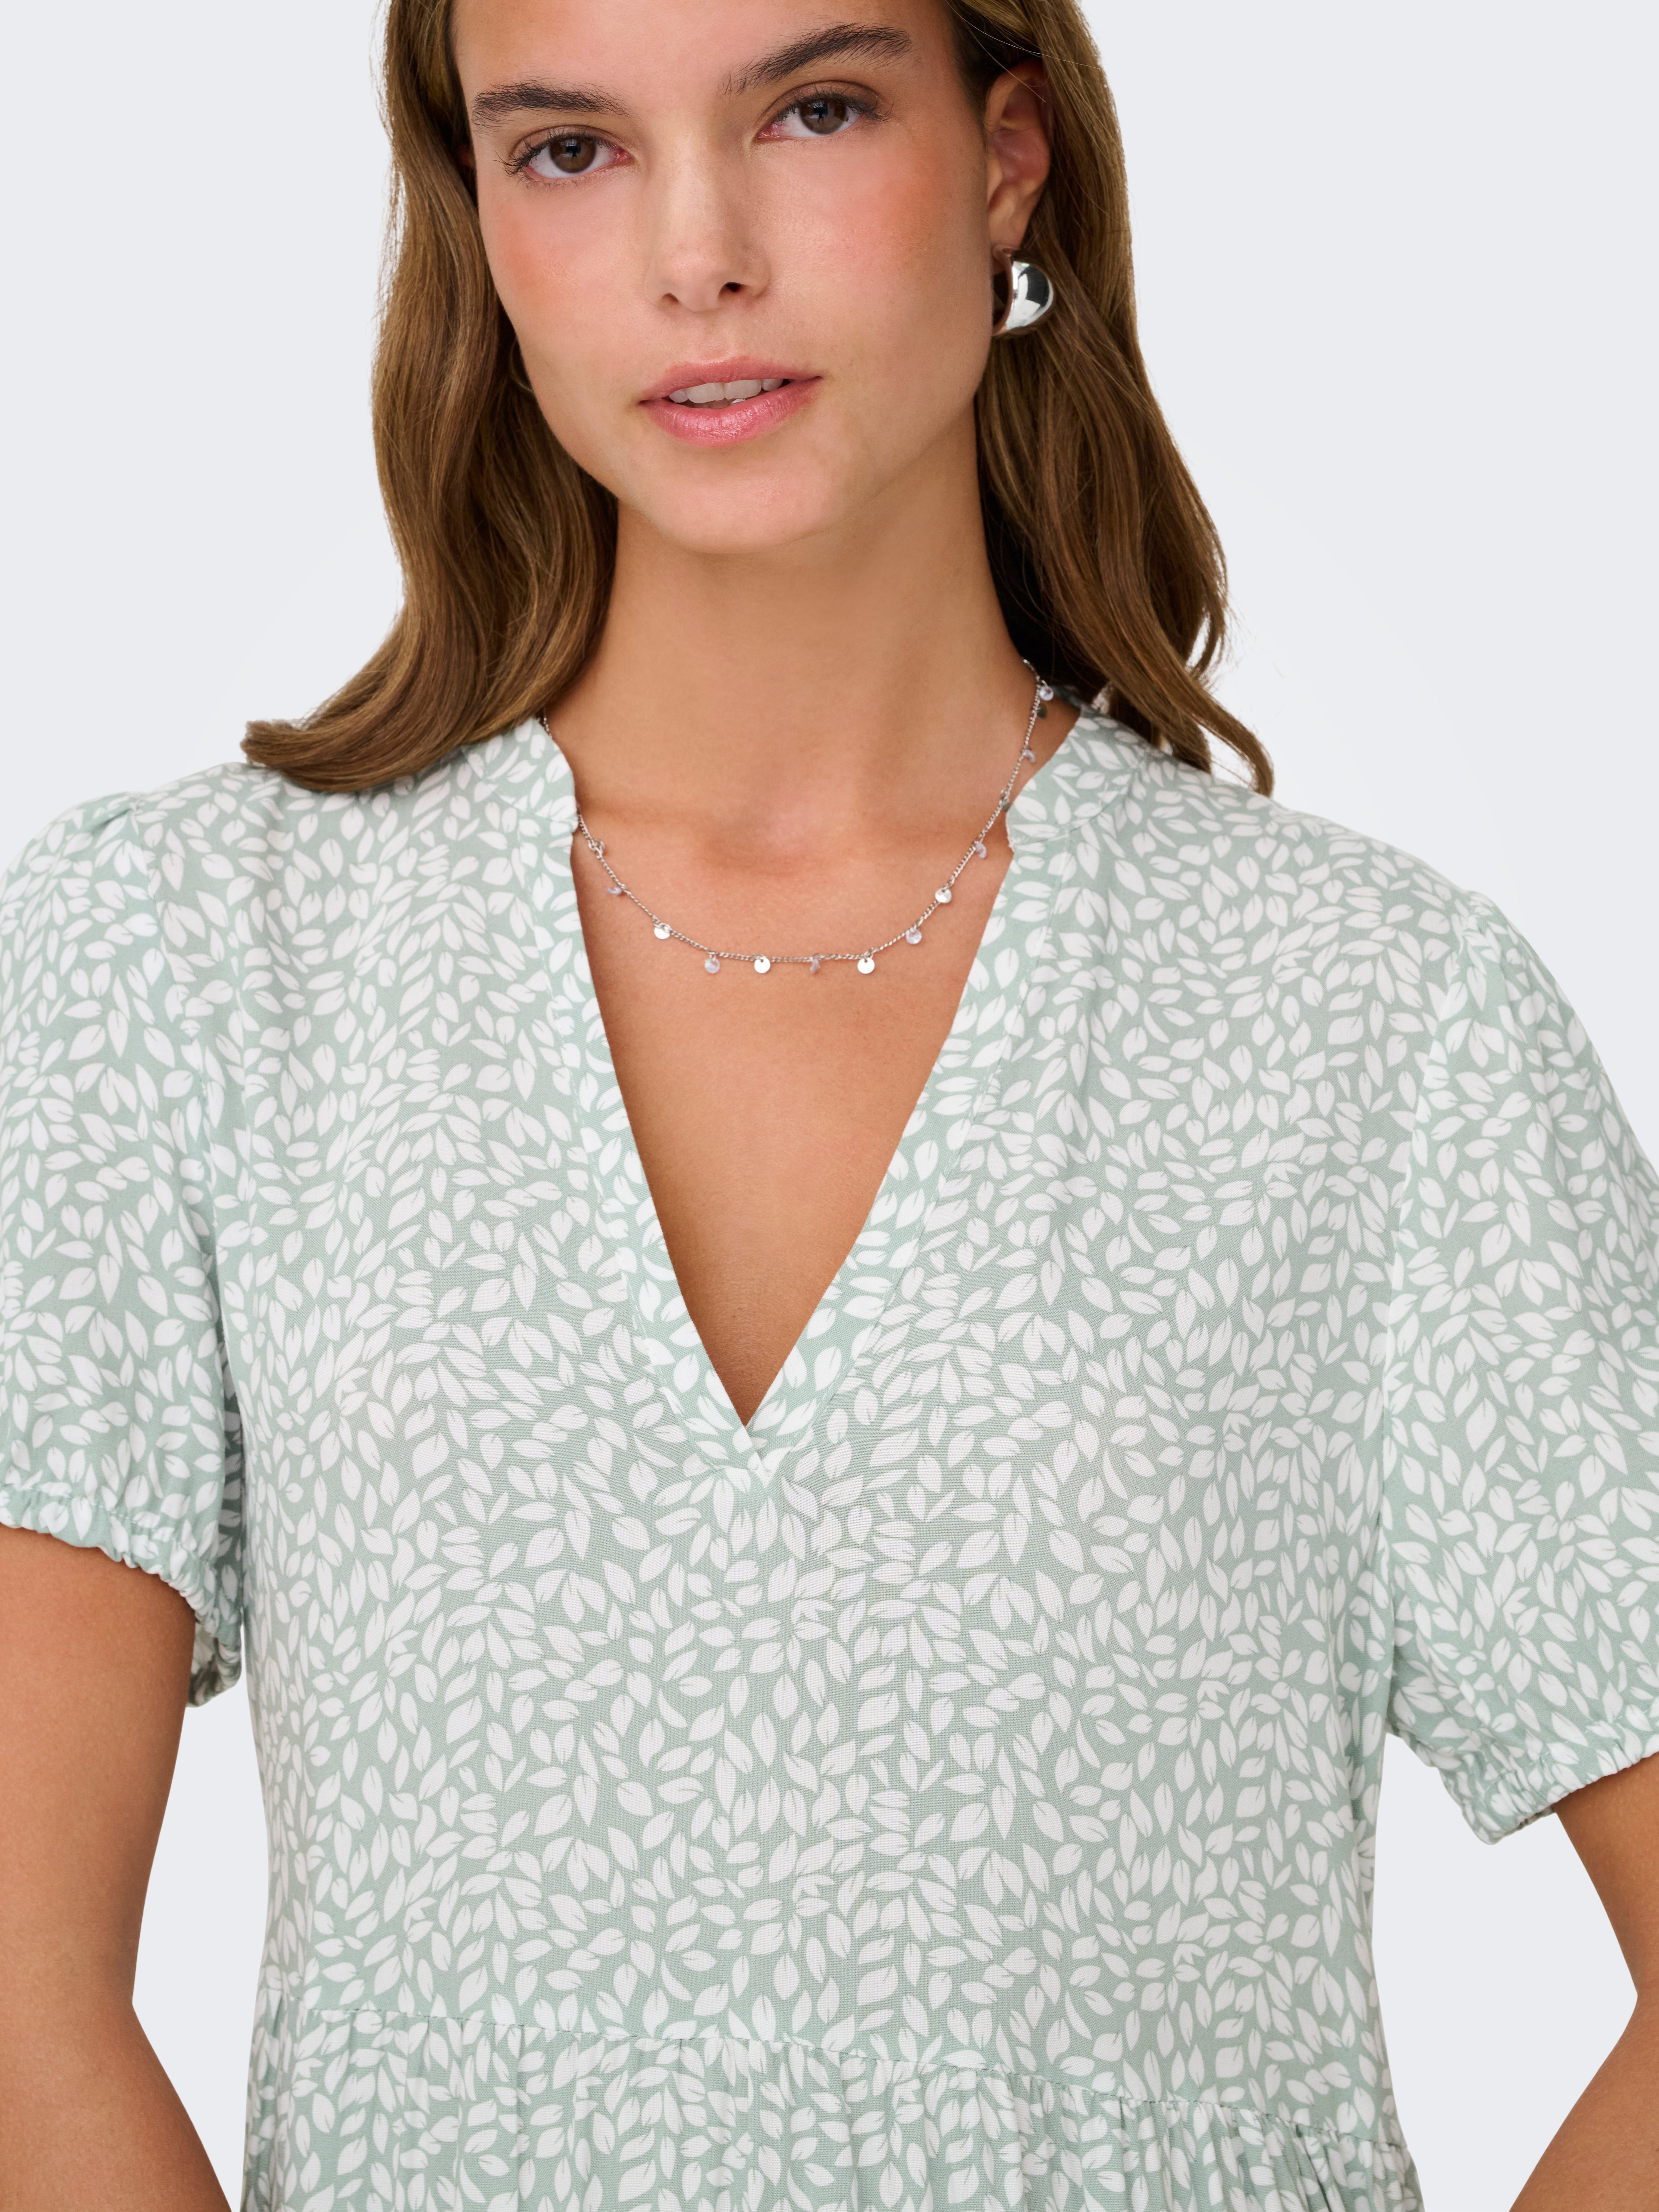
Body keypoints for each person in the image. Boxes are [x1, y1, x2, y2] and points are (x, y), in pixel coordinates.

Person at [1, 0, 1655, 2205]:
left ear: (1009, 153)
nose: (697, 255)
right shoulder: (184, 965)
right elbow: (16, 1995)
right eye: (571, 150)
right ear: (477, 217)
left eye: (813, 109)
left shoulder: (1377, 1022)